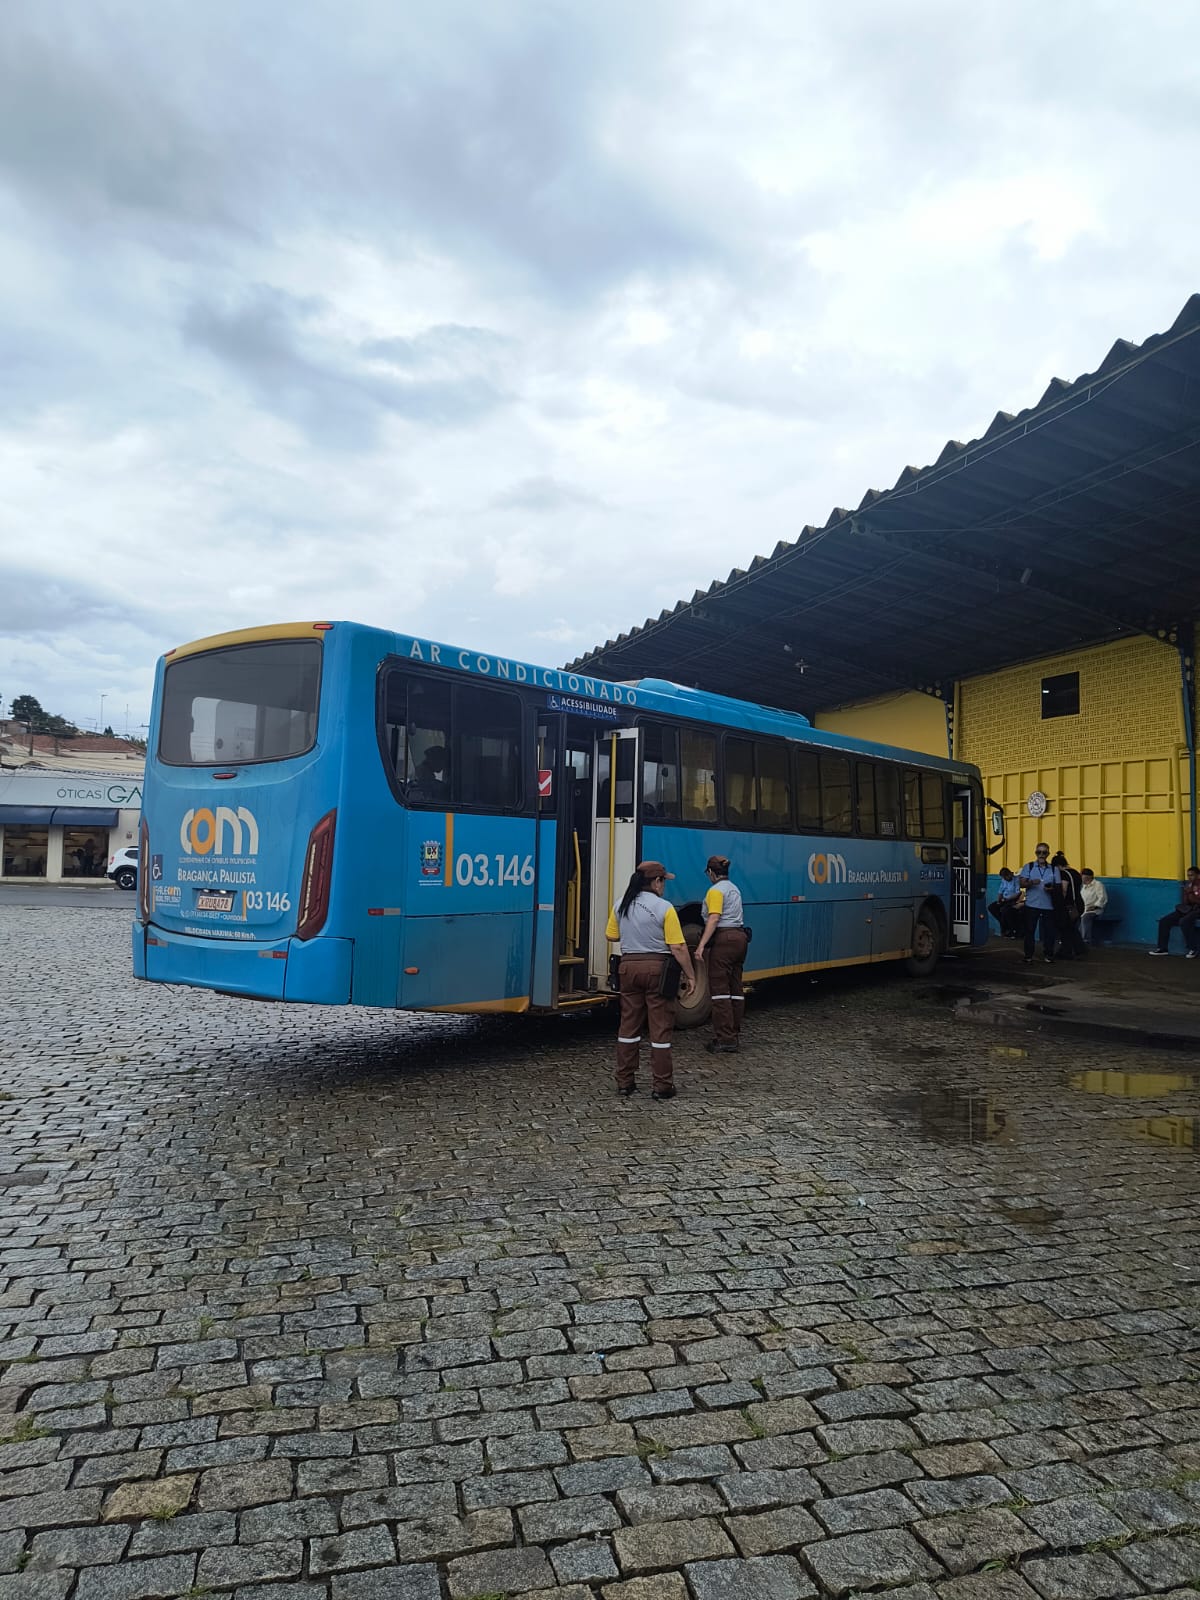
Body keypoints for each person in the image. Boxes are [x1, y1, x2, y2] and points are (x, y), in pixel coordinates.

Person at [606, 860, 696, 1101]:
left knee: (628, 1025)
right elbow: (677, 946)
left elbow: (610, 935)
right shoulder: (664, 908)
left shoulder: (620, 906)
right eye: (663, 881)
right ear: (656, 882)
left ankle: (625, 1082)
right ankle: (662, 1085)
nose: (664, 885)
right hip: (658, 969)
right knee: (660, 1027)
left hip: (628, 968)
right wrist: (691, 974)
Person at [694, 854, 749, 1053]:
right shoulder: (734, 889)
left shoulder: (715, 891)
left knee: (719, 991)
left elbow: (714, 918)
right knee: (736, 989)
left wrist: (701, 945)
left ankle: (725, 1039)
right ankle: (733, 1032)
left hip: (723, 940)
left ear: (710, 872)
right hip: (740, 938)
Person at [1018, 843, 1062, 964]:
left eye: (1044, 852)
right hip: (1032, 904)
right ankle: (1028, 955)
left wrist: (1051, 889)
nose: (1041, 855)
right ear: (1036, 853)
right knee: (1029, 931)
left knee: (1049, 932)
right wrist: (1031, 882)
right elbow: (1021, 884)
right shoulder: (1029, 867)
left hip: (1048, 905)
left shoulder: (1054, 869)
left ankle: (1048, 954)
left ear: (1048, 854)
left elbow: (1059, 888)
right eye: (1039, 852)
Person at [1149, 867, 1200, 956]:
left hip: (1198, 909)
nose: (1189, 877)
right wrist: (1187, 894)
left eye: (1192, 875)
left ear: (1198, 875)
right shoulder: (1188, 885)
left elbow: (1196, 900)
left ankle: (1193, 948)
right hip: (1188, 908)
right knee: (1164, 921)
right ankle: (1162, 948)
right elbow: (1185, 901)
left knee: (1184, 921)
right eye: (1188, 875)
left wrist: (1191, 894)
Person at [1051, 851, 1086, 959]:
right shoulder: (1075, 872)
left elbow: (1064, 890)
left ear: (1057, 866)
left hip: (1068, 905)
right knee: (1071, 927)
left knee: (1066, 929)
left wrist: (1058, 902)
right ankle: (1077, 949)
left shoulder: (1063, 874)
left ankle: (1069, 951)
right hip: (1078, 903)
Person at [988, 868, 1024, 939]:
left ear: (1010, 874)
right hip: (1004, 899)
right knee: (992, 907)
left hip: (1012, 899)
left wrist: (1007, 899)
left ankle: (1009, 930)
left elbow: (1017, 893)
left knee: (1005, 911)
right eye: (1003, 878)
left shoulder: (1016, 880)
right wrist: (999, 900)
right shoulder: (1004, 880)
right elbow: (1000, 891)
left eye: (1006, 877)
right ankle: (1003, 923)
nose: (1005, 879)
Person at [1079, 869, 1108, 947]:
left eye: (1082, 876)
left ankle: (1086, 940)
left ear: (1087, 877)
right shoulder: (1084, 886)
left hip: (1096, 910)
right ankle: (1077, 940)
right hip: (1084, 909)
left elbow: (1102, 897)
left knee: (1086, 917)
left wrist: (1095, 906)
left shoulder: (1098, 884)